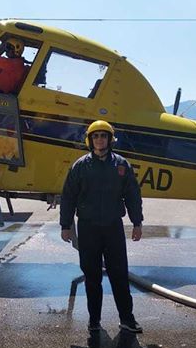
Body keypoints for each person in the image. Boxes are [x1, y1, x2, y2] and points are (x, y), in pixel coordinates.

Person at [60, 120, 144, 333]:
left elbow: (133, 195)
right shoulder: (80, 166)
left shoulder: (121, 165)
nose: (100, 140)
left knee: (119, 274)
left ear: (110, 139)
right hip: (88, 228)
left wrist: (137, 222)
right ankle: (94, 320)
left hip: (113, 227)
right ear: (90, 140)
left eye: (103, 136)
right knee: (92, 275)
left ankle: (127, 319)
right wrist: (65, 225)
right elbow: (68, 196)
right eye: (95, 136)